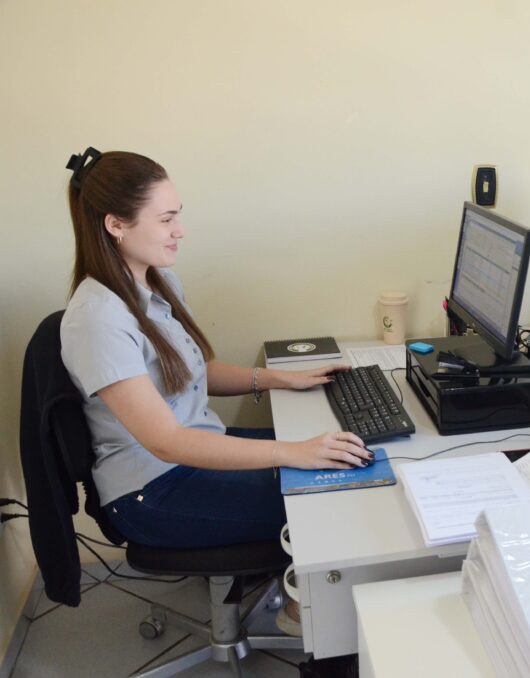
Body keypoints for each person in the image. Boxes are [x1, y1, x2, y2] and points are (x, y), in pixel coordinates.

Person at [59, 147, 374, 553]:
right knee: (337, 489)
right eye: (166, 220)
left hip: (194, 449)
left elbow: (193, 371)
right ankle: (287, 594)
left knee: (350, 454)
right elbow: (165, 441)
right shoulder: (97, 318)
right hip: (152, 489)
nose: (180, 231)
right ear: (116, 224)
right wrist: (291, 452)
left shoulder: (159, 283)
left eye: (178, 215)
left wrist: (279, 378)